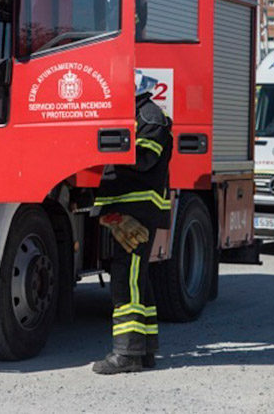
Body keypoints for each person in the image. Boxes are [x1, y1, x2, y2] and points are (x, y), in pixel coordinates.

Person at [91, 70, 173, 374]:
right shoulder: (140, 115)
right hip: (128, 207)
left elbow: (145, 159)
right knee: (138, 279)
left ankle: (127, 354)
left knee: (127, 281)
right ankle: (146, 350)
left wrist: (104, 143)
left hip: (139, 207)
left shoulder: (150, 117)